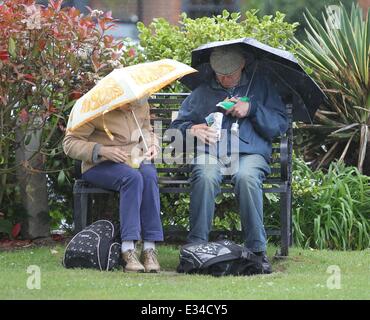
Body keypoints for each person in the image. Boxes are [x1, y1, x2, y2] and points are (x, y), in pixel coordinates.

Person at [171, 46, 288, 273]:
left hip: (250, 153)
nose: (225, 78)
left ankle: (256, 251)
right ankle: (196, 247)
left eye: (230, 74)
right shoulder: (203, 92)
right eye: (220, 74)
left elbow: (278, 127)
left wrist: (252, 109)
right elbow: (175, 129)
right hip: (211, 153)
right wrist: (193, 130)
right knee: (204, 174)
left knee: (246, 177)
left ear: (242, 65)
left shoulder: (262, 86)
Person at [63, 98, 163, 273]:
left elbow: (146, 131)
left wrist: (153, 144)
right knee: (132, 178)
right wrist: (102, 150)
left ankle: (149, 248)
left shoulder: (140, 103)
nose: (132, 106)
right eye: (127, 103)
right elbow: (70, 143)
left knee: (149, 175)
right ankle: (128, 249)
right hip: (99, 165)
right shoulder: (94, 107)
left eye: (136, 101)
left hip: (134, 159)